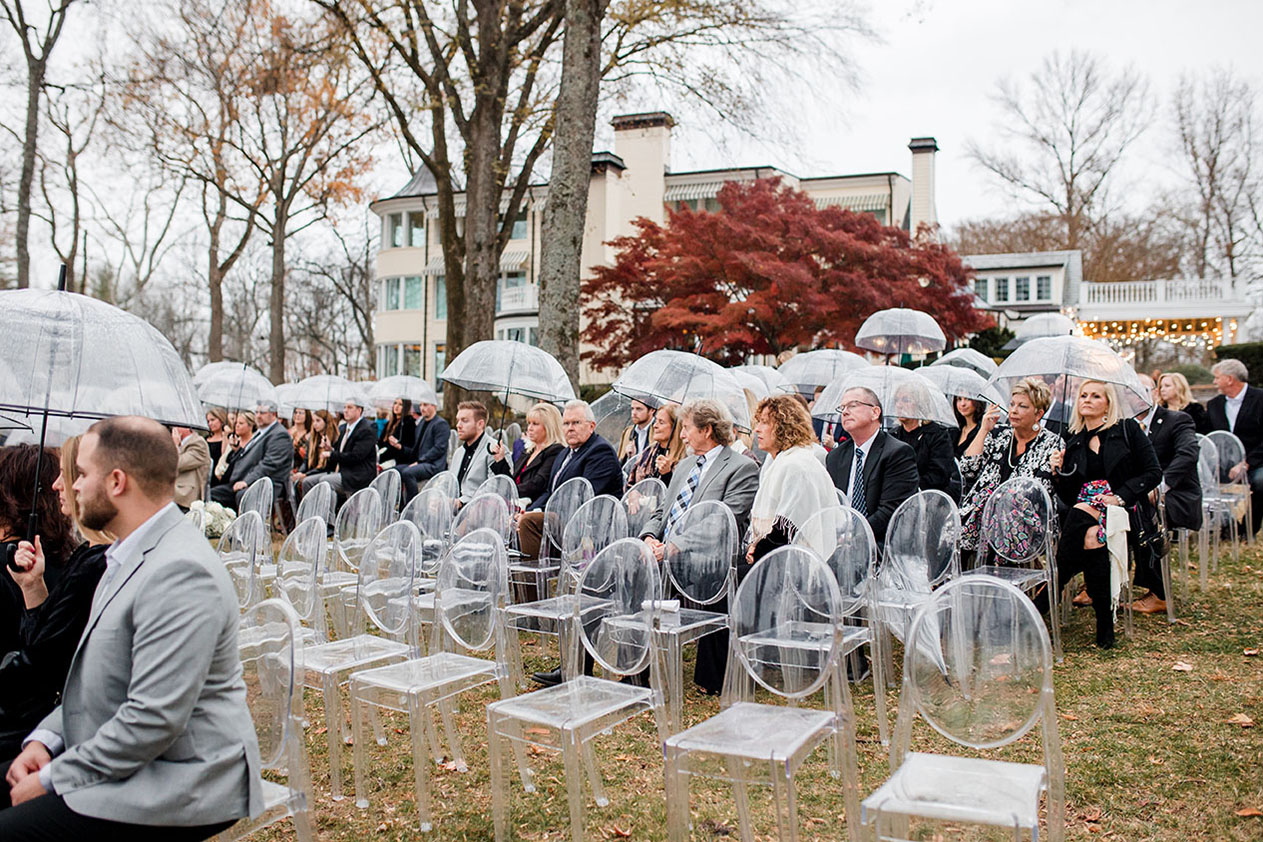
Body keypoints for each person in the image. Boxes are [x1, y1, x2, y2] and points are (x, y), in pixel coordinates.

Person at [0, 416, 263, 839]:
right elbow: (97, 684)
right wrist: (44, 741)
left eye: (82, 474)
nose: (68, 485)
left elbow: (152, 720)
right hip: (130, 756)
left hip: (180, 780)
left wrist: (52, 778)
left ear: (117, 481)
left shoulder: (180, 570)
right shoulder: (125, 551)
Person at [641, 399, 760, 695]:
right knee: (625, 568)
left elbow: (724, 521)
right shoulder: (684, 466)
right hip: (664, 550)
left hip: (707, 558)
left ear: (707, 430)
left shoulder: (742, 467)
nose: (681, 435)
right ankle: (630, 669)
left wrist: (674, 546)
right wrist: (649, 536)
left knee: (666, 570)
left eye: (686, 428)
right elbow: (663, 511)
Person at [1, 438, 108, 761]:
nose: (57, 485)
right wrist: (33, 588)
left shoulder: (96, 563)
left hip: (30, 720)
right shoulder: (75, 554)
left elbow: (43, 662)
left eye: (71, 474)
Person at [1050, 380, 1162, 649]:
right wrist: (1057, 472)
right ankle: (1104, 629)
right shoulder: (1074, 441)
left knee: (1080, 519)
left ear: (1108, 404)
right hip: (1088, 512)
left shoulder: (1127, 430)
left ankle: (1052, 587)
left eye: (1095, 396)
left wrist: (1119, 496)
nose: (1086, 400)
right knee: (1090, 537)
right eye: (1083, 395)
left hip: (1126, 507)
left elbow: (1153, 473)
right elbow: (1069, 495)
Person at [520, 400, 622, 688]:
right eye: (566, 423)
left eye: (576, 423)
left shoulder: (600, 451)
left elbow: (587, 498)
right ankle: (571, 661)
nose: (570, 428)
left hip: (594, 534)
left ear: (591, 425)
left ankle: (538, 586)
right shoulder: (566, 454)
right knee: (528, 519)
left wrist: (540, 516)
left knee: (531, 524)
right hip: (565, 526)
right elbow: (552, 494)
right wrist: (532, 509)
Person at [958, 378, 1063, 556]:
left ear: (1038, 414)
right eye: (1012, 404)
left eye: (1022, 406)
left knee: (1002, 507)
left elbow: (1038, 490)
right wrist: (983, 430)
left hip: (1027, 519)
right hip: (984, 513)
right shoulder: (999, 434)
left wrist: (998, 500)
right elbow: (968, 469)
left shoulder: (1052, 442)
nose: (1013, 410)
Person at [1132, 375, 1202, 615]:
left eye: (1143, 389)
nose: (1138, 395)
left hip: (1177, 495)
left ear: (1155, 393)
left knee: (1141, 511)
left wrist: (1161, 487)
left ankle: (1159, 592)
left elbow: (1188, 454)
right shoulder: (1125, 425)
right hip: (1137, 494)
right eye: (1132, 390)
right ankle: (1095, 584)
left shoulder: (1177, 420)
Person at [747, 395, 841, 564]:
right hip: (778, 557)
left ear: (784, 427)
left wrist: (756, 553)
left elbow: (787, 528)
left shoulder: (796, 465)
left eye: (765, 422)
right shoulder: (781, 459)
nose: (757, 429)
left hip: (794, 565)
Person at [825, 387, 920, 548]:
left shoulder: (897, 453)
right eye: (842, 408)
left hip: (881, 545)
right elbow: (831, 506)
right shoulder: (835, 457)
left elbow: (891, 511)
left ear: (875, 412)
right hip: (839, 544)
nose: (845, 412)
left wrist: (853, 537)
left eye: (853, 405)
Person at [1206, 359, 1263, 532]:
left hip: (1256, 460)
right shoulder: (1214, 404)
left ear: (1230, 379)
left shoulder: (1260, 399)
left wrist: (1247, 463)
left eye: (1217, 378)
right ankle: (1224, 526)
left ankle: (1248, 529)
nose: (1214, 382)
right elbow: (1208, 435)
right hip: (1221, 463)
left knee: (1261, 482)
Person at [209, 400, 291, 512]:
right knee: (212, 494)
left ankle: (244, 527)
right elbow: (248, 456)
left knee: (243, 495)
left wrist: (246, 481)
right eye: (256, 412)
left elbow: (269, 464)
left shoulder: (280, 435)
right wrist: (237, 450)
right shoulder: (261, 432)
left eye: (262, 413)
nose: (258, 416)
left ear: (274, 415)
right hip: (243, 479)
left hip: (266, 483)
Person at [300, 397, 378, 498]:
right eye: (344, 407)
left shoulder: (368, 428)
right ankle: (310, 511)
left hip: (357, 475)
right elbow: (340, 453)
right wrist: (330, 448)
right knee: (308, 482)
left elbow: (356, 456)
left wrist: (331, 454)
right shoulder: (342, 428)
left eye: (350, 407)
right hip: (342, 472)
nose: (345, 410)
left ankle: (328, 513)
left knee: (326, 481)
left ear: (359, 410)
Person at [490, 403, 564, 505]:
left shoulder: (555, 451)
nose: (529, 428)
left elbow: (537, 485)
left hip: (529, 506)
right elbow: (511, 482)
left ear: (549, 427)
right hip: (513, 501)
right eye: (529, 423)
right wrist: (500, 460)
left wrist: (508, 493)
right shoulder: (528, 451)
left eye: (535, 424)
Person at [392, 399, 450, 502]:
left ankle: (412, 505)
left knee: (407, 473)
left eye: (425, 405)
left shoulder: (441, 424)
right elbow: (416, 448)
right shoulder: (421, 423)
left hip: (433, 465)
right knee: (394, 471)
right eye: (421, 405)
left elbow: (439, 448)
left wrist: (419, 461)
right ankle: (399, 504)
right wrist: (400, 447)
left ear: (434, 406)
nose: (422, 408)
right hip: (420, 462)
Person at [891, 418, 958, 501]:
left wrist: (908, 485)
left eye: (906, 403)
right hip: (894, 497)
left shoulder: (937, 434)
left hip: (928, 499)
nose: (899, 405)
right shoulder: (893, 435)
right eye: (896, 403)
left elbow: (939, 475)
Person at [628, 404, 687, 487]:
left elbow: (678, 491)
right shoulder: (648, 452)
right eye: (656, 421)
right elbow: (631, 483)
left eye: (661, 422)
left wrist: (667, 474)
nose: (655, 425)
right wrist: (634, 494)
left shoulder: (685, 458)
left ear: (675, 427)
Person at [450, 401, 497, 504]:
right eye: (458, 420)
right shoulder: (459, 452)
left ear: (480, 424)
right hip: (452, 511)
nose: (458, 425)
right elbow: (450, 484)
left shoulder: (494, 449)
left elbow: (494, 489)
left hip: (478, 512)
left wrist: (461, 502)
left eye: (464, 421)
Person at [210, 410, 255, 501]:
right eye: (236, 423)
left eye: (241, 423)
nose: (237, 426)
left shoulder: (254, 443)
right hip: (226, 480)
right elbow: (224, 460)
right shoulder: (234, 441)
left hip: (242, 482)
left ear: (250, 426)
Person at [293, 409, 339, 492]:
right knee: (295, 480)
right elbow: (306, 461)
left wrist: (306, 475)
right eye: (313, 421)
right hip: (313, 470)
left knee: (307, 481)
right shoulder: (313, 439)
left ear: (326, 422)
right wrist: (300, 472)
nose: (315, 424)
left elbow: (328, 466)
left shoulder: (335, 438)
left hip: (327, 472)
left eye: (318, 421)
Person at [170, 427, 210, 511]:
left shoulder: (198, 443)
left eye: (177, 426)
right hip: (173, 486)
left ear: (187, 428)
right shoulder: (178, 442)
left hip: (186, 492)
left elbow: (176, 464)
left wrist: (175, 446)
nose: (174, 429)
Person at [377, 398, 415, 467]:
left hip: (397, 460)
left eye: (400, 404)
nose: (396, 406)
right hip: (384, 455)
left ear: (405, 407)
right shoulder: (390, 422)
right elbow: (381, 441)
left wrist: (380, 458)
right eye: (395, 403)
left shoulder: (408, 423)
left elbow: (399, 447)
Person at [616, 399, 654, 465]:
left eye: (639, 409)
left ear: (652, 410)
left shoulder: (658, 431)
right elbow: (620, 465)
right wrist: (629, 457)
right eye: (632, 409)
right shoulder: (628, 432)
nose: (634, 413)